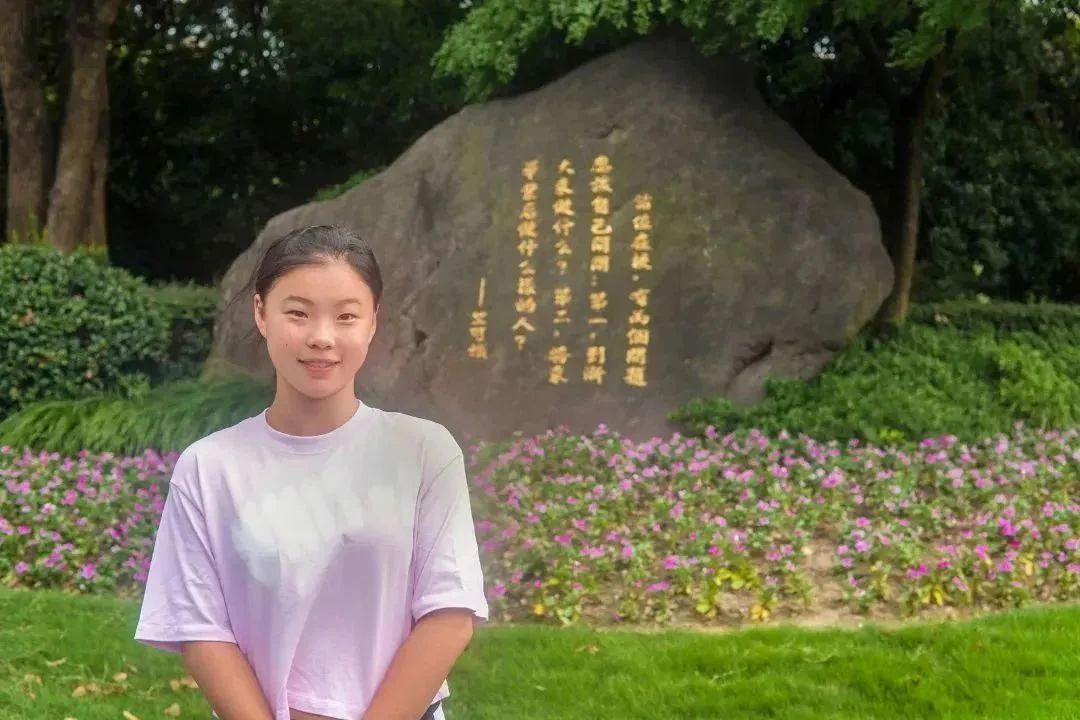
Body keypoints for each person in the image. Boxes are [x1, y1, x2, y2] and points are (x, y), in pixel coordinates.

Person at [134, 225, 488, 720]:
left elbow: (449, 613)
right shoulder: (210, 467)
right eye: (298, 313)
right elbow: (200, 629)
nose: (322, 337)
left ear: (373, 322)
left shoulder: (424, 451)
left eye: (346, 316)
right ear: (261, 313)